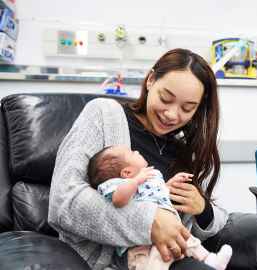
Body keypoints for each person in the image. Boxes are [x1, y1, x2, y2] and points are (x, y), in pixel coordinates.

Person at [48, 48, 228, 270]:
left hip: (162, 261)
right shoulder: (104, 115)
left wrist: (203, 209)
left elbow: (208, 222)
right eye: (165, 98)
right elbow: (63, 201)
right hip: (99, 262)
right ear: (151, 80)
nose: (172, 114)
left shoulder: (182, 150)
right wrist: (149, 221)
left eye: (187, 108)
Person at [87, 145, 232, 270]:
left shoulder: (150, 176)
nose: (136, 151)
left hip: (171, 231)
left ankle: (210, 260)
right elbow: (118, 200)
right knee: (156, 263)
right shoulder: (119, 184)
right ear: (127, 173)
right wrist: (136, 181)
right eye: (132, 153)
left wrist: (170, 184)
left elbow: (158, 193)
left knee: (190, 243)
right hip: (143, 245)